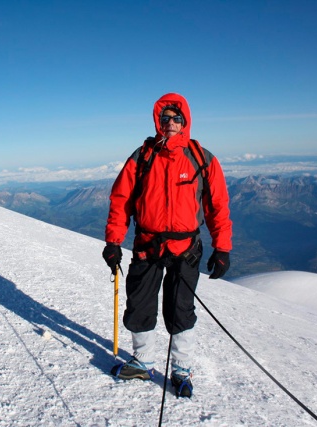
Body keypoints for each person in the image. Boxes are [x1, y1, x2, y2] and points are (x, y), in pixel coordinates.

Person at [102, 93, 232, 398]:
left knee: (181, 310)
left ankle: (181, 370)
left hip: (186, 248)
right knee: (140, 304)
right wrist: (113, 241)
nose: (170, 124)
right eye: (165, 119)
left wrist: (222, 247)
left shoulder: (202, 158)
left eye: (176, 118)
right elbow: (120, 201)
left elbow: (218, 207)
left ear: (185, 121)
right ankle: (143, 362)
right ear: (158, 122)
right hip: (147, 244)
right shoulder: (143, 156)